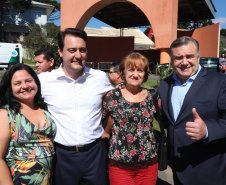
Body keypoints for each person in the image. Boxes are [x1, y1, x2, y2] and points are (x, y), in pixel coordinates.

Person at [38, 28, 113, 185]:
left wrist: (107, 132)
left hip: (95, 154)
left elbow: (117, 103)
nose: (78, 55)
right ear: (60, 51)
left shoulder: (99, 78)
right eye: (72, 50)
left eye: (82, 50)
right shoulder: (44, 81)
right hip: (62, 156)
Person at [158, 36, 226, 185]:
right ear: (171, 60)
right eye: (178, 58)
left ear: (198, 56)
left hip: (208, 169)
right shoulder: (165, 84)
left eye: (189, 56)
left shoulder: (220, 81)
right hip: (177, 166)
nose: (184, 62)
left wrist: (207, 129)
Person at [102, 52, 158, 185]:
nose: (135, 74)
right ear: (123, 72)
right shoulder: (112, 96)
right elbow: (104, 120)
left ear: (145, 74)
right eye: (131, 69)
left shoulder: (152, 96)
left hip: (148, 163)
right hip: (120, 164)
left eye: (140, 70)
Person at [0, 63, 56, 185]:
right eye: (17, 83)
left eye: (28, 80)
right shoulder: (6, 114)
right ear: (10, 88)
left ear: (36, 82)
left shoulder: (45, 109)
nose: (24, 86)